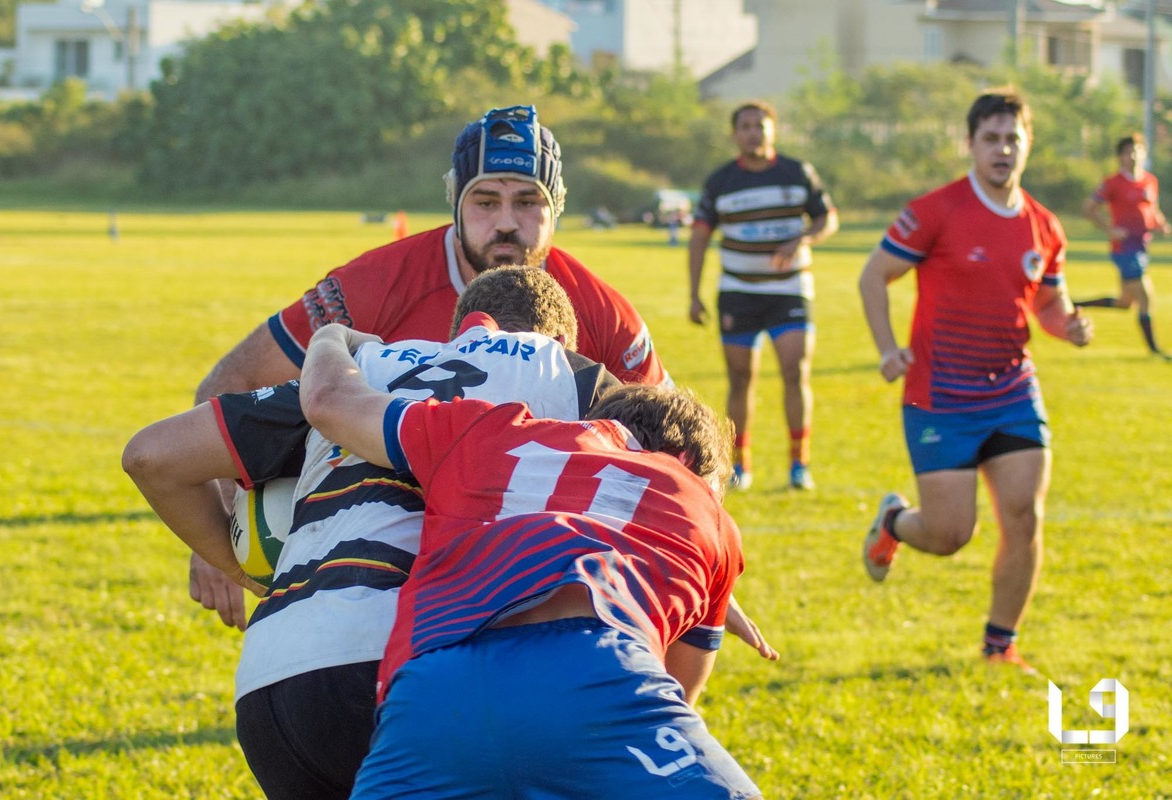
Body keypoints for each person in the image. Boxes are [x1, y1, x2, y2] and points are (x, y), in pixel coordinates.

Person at [124, 268, 621, 800]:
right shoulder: (568, 373)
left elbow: (151, 457)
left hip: (272, 686)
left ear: (458, 332)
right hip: (413, 671)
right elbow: (666, 476)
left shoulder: (360, 368)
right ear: (561, 339)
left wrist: (250, 578)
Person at [190, 104, 671, 628]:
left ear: (556, 207)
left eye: (528, 201)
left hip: (533, 569)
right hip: (381, 561)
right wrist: (222, 534)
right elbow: (230, 382)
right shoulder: (375, 284)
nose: (506, 223)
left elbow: (675, 447)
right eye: (485, 201)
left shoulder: (602, 310)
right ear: (455, 201)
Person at [299, 326, 768, 799]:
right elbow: (677, 688)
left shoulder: (485, 430)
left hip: (431, 691)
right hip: (597, 671)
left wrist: (331, 335)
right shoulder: (704, 510)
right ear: (688, 464)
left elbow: (327, 400)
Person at [857, 90, 1093, 674]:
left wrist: (1069, 326)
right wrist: (887, 349)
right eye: (991, 138)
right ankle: (894, 522)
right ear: (970, 144)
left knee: (1024, 516)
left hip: (1012, 390)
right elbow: (873, 275)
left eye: (1013, 139)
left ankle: (999, 646)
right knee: (948, 534)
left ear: (1028, 145)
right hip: (940, 396)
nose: (1002, 150)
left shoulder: (1044, 225)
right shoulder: (937, 210)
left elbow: (1048, 305)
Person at [688, 100, 839, 492]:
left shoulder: (797, 172)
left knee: (795, 371)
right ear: (735, 134)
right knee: (740, 379)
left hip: (789, 290)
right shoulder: (720, 181)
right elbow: (700, 235)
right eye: (746, 126)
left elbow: (827, 218)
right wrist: (694, 293)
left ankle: (799, 464)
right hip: (738, 293)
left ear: (773, 130)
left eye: (761, 125)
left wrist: (803, 239)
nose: (754, 132)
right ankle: (741, 465)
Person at [1076, 132, 1172, 359]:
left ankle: (1074, 304)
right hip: (1125, 248)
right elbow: (1088, 208)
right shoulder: (1113, 183)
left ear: (1144, 153)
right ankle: (1155, 350)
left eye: (1138, 151)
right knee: (1145, 297)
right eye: (1128, 152)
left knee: (1124, 302)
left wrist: (1161, 225)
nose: (1134, 156)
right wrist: (1109, 229)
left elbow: (1152, 210)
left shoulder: (1150, 181)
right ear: (1120, 157)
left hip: (1142, 246)